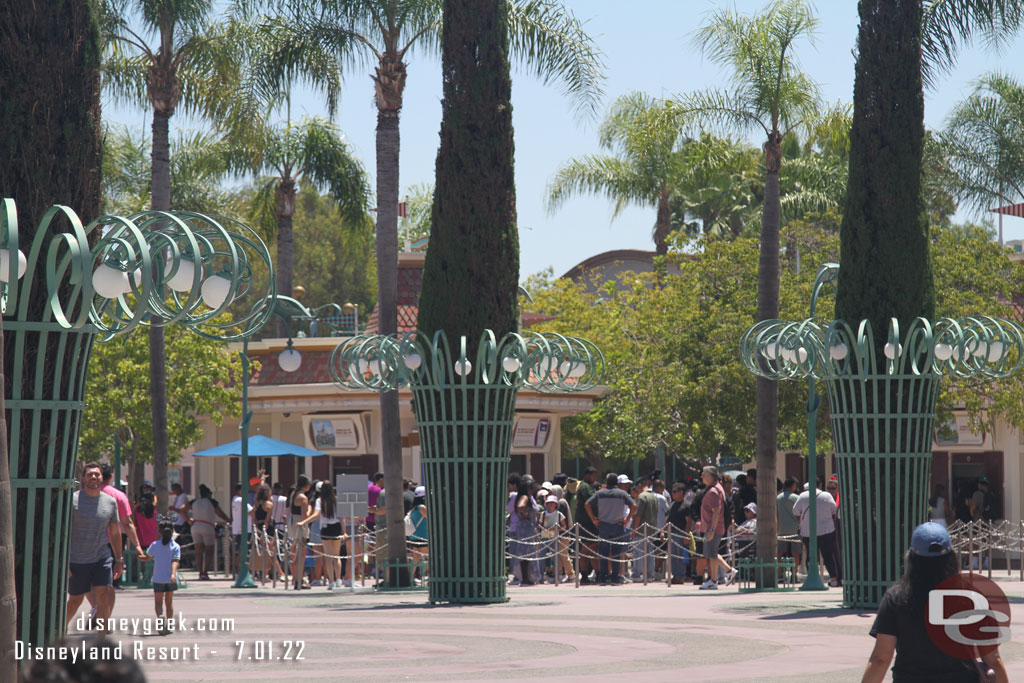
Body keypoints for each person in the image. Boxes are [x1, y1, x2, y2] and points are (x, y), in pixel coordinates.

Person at [861, 522, 1009, 683]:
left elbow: (881, 658)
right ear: (951, 557)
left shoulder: (896, 598)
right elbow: (993, 659)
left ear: (911, 557)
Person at [66, 463, 126, 630]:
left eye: (97, 475)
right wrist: (65, 562)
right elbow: (63, 531)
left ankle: (101, 640)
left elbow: (115, 532)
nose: (94, 477)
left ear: (102, 478)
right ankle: (59, 633)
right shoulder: (73, 500)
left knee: (104, 596)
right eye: (90, 474)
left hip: (101, 556)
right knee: (75, 600)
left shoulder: (110, 502)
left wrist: (119, 559)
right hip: (77, 559)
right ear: (83, 478)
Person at [584, 472, 637, 585]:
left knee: (603, 553)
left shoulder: (600, 493)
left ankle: (603, 577)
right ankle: (615, 577)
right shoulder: (622, 493)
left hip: (603, 525)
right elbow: (634, 505)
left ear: (607, 481)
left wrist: (594, 519)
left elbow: (587, 504)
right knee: (616, 553)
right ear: (617, 483)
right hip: (618, 525)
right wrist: (627, 519)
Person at [793, 480, 842, 587]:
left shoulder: (802, 496)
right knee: (828, 555)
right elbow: (834, 510)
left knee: (811, 555)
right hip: (826, 530)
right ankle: (833, 578)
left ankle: (811, 576)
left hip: (808, 531)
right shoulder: (826, 495)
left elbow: (795, 511)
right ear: (820, 485)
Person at [298, 481, 346, 589]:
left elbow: (316, 515)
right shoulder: (337, 500)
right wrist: (344, 531)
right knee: (336, 556)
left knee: (328, 557)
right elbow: (341, 517)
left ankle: (332, 582)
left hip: (326, 529)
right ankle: (338, 580)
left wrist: (304, 522)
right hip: (337, 527)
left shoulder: (320, 500)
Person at [697, 465, 736, 589]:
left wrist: (712, 530)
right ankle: (718, 578)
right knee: (712, 553)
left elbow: (716, 511)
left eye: (704, 474)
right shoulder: (716, 488)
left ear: (711, 476)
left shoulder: (714, 491)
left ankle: (721, 575)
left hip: (713, 528)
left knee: (711, 553)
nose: (701, 476)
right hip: (713, 527)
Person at [144, 520, 180, 635]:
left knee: (158, 602)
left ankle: (160, 619)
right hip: (170, 578)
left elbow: (147, 557)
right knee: (169, 603)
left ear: (160, 532)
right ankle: (169, 625)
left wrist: (140, 554)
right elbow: (175, 561)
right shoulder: (175, 546)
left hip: (158, 578)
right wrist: (173, 574)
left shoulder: (154, 545)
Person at [188, 484, 231, 580]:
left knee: (198, 552)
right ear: (208, 494)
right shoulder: (212, 502)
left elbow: (182, 509)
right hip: (207, 526)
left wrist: (188, 520)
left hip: (195, 526)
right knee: (209, 552)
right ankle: (205, 572)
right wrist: (229, 520)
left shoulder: (194, 502)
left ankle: (200, 572)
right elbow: (220, 513)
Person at [574, 467, 600, 584]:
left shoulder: (589, 487)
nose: (595, 478)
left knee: (588, 549)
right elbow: (591, 501)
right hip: (587, 523)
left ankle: (588, 574)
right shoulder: (585, 487)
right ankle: (593, 574)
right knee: (590, 549)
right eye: (594, 476)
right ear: (588, 475)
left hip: (586, 523)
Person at [631, 478, 659, 582]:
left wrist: (635, 529)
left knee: (638, 552)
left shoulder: (642, 497)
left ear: (639, 485)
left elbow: (638, 515)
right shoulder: (654, 497)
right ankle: (649, 575)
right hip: (652, 529)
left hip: (641, 529)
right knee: (650, 553)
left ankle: (636, 574)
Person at [288, 476, 311, 589]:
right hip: (301, 525)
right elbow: (305, 516)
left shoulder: (293, 495)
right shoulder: (303, 498)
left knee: (295, 553)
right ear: (306, 485)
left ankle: (296, 579)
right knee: (301, 554)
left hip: (293, 524)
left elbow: (291, 510)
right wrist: (310, 509)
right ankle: (299, 580)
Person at [776, 476, 802, 574]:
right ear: (793, 485)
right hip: (795, 529)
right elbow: (800, 514)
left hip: (782, 529)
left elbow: (776, 514)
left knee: (780, 553)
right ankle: (794, 573)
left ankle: (779, 572)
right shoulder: (796, 498)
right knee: (795, 552)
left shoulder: (778, 498)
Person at [231, 483, 253, 575]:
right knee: (243, 549)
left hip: (237, 528)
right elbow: (250, 511)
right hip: (244, 528)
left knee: (240, 549)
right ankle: (240, 568)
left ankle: (238, 568)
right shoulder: (241, 500)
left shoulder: (234, 500)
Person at [407, 485, 429, 582]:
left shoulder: (414, 508)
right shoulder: (422, 507)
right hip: (424, 537)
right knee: (429, 558)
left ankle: (410, 579)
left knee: (415, 560)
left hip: (415, 537)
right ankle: (429, 579)